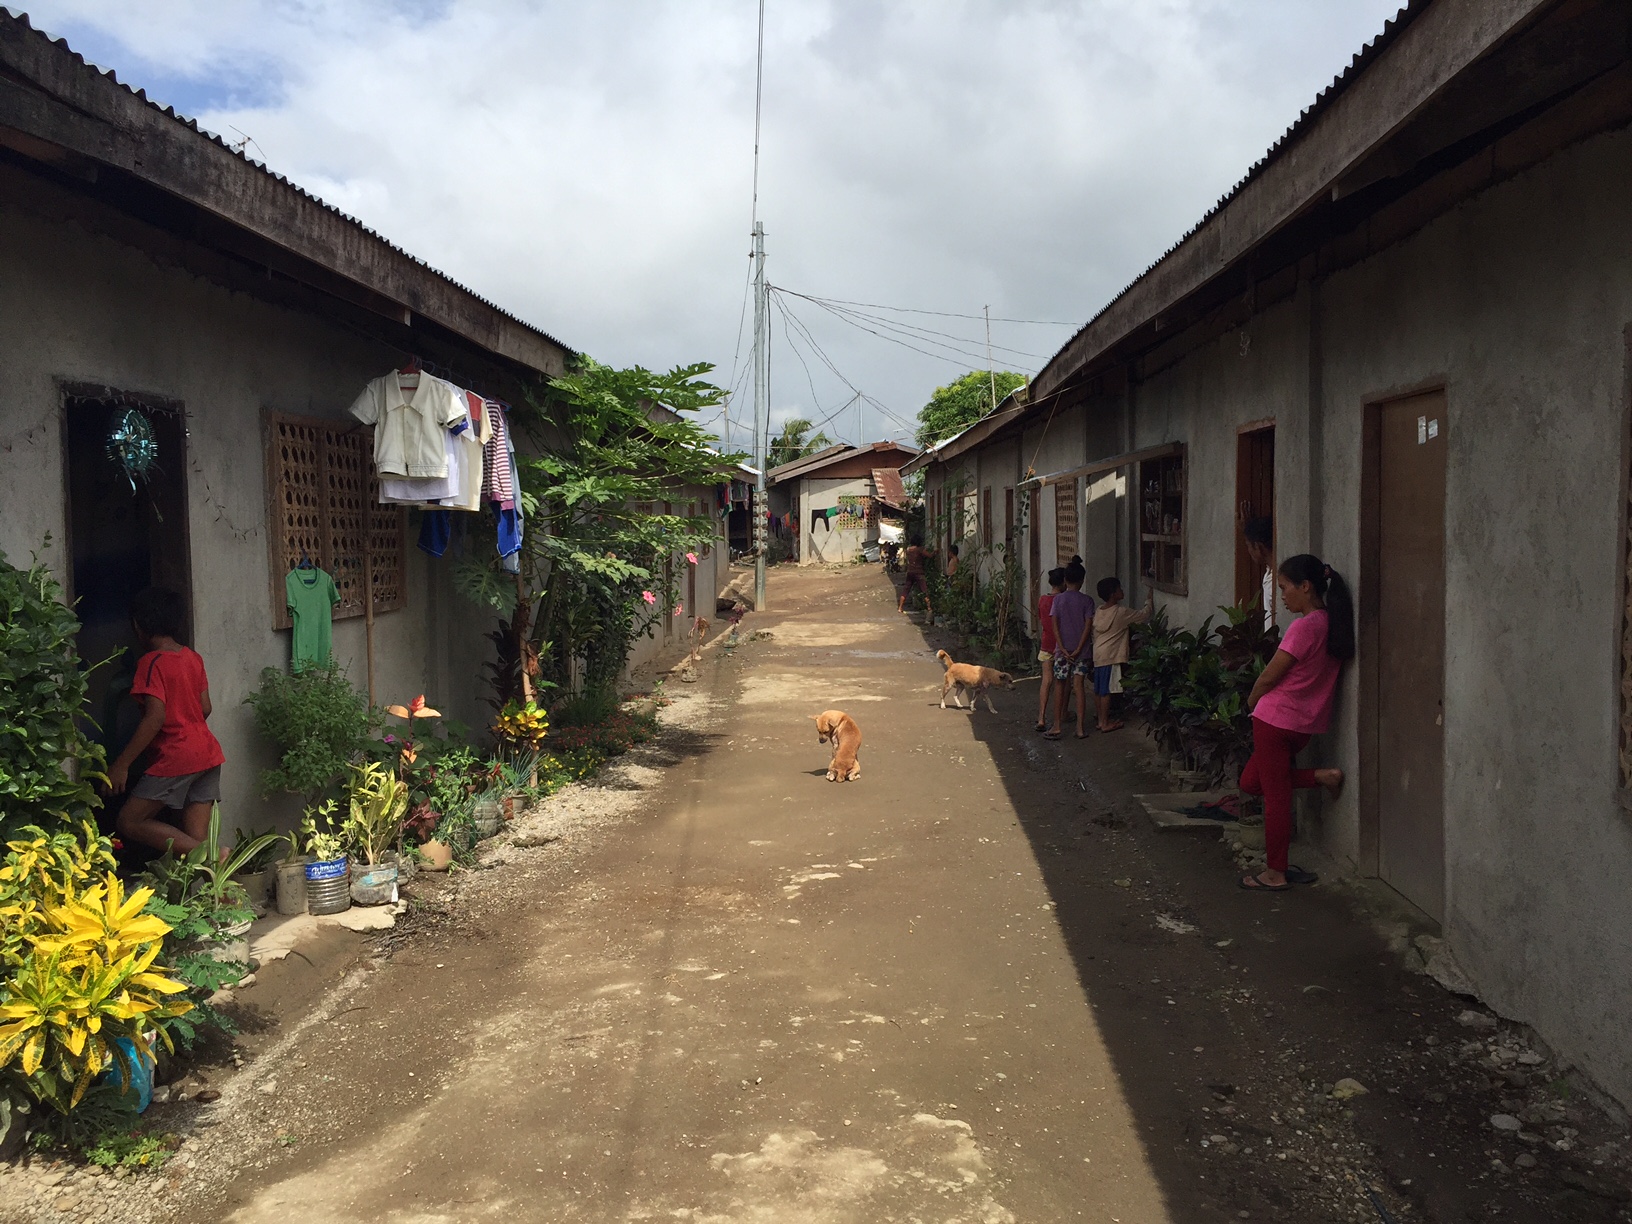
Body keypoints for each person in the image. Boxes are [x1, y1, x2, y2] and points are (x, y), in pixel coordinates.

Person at [1237, 554, 1353, 892]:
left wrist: (1251, 702)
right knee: (1251, 782)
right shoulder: (1334, 623)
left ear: (1305, 586)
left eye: (1285, 588)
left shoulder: (1304, 627)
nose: (1282, 596)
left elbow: (1269, 675)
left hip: (1274, 720)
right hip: (1302, 725)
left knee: (1275, 798)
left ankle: (1275, 873)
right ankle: (1322, 776)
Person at [109, 588, 226, 855]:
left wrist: (122, 765)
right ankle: (216, 868)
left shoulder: (151, 663)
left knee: (129, 821)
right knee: (195, 844)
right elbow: (205, 707)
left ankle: (216, 855)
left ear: (138, 626)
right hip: (208, 753)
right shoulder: (192, 658)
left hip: (177, 755)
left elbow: (155, 717)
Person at [1092, 576, 1153, 732]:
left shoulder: (1099, 611)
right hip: (1111, 655)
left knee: (1099, 689)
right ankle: (1105, 723)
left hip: (1098, 653)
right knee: (1106, 690)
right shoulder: (1120, 612)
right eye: (1119, 588)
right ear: (1113, 594)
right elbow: (1144, 615)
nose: (1122, 590)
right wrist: (1149, 600)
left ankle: (1100, 720)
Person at [1046, 562, 1095, 740]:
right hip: (1082, 652)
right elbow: (1088, 627)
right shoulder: (1087, 601)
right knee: (1079, 686)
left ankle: (1057, 725)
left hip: (1062, 651)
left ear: (1065, 580)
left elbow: (1055, 626)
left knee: (1059, 684)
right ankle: (1080, 728)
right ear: (1082, 581)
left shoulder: (1058, 600)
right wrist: (1079, 648)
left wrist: (1063, 648)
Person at [1034, 568, 1066, 732]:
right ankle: (1062, 714)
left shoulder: (1043, 600)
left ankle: (1041, 718)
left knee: (1046, 681)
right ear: (1063, 582)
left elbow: (1041, 619)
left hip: (1046, 643)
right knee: (1062, 681)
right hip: (1062, 645)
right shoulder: (1063, 600)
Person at [1241, 514, 1275, 631]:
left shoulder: (1278, 580)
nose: (1249, 551)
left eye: (1248, 546)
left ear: (1258, 546)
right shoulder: (1269, 571)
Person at [898, 535, 933, 616]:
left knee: (906, 589)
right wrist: (935, 552)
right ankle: (929, 608)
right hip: (919, 572)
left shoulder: (908, 550)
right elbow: (929, 555)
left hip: (910, 572)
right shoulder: (919, 549)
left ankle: (900, 607)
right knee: (924, 590)